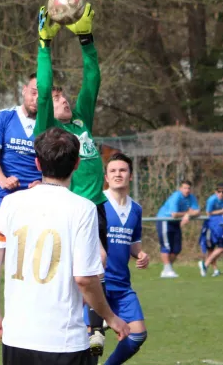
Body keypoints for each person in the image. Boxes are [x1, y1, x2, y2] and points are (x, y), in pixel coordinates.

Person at [0, 127, 130, 365]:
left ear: (38, 164)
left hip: (17, 339)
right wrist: (110, 318)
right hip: (64, 341)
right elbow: (84, 278)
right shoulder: (83, 209)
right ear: (77, 165)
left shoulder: (9, 204)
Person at [33, 4, 110, 354]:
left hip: (98, 207)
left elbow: (92, 77)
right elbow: (45, 86)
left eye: (65, 97)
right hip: (71, 210)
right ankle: (72, 326)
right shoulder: (50, 128)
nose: (62, 100)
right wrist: (44, 44)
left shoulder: (82, 123)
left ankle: (96, 329)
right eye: (58, 98)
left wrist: (85, 39)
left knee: (100, 268)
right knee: (79, 270)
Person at [95, 152, 149, 365]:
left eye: (123, 170)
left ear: (131, 176)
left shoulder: (136, 209)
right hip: (96, 284)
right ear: (106, 177)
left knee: (137, 334)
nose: (118, 174)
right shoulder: (96, 204)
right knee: (90, 343)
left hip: (122, 285)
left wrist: (140, 254)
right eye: (113, 171)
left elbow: (133, 242)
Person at [0, 73, 42, 214]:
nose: (36, 99)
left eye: (42, 96)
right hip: (6, 197)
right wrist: (3, 180)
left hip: (38, 198)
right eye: (33, 93)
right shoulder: (3, 117)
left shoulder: (50, 125)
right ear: (24, 90)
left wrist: (44, 185)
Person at [155, 180, 200, 278]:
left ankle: (167, 270)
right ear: (180, 189)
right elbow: (174, 214)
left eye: (188, 188)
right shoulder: (176, 197)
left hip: (175, 223)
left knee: (177, 248)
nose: (187, 190)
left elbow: (197, 212)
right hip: (164, 220)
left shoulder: (191, 198)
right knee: (166, 246)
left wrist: (189, 214)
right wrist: (187, 213)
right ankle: (167, 270)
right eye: (185, 188)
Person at [198, 183, 223, 277]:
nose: (221, 194)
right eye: (219, 191)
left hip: (221, 226)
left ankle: (205, 265)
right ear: (215, 192)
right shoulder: (211, 200)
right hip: (211, 226)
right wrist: (221, 211)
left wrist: (219, 213)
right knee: (211, 248)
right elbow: (208, 213)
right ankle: (214, 270)